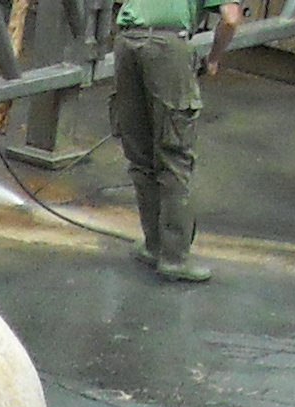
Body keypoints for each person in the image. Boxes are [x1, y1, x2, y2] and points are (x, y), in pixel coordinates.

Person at [111, 0, 247, 282]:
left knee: (140, 151)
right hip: (166, 46)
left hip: (126, 42)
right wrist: (213, 57)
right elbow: (231, 19)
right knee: (174, 154)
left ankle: (153, 245)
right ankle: (174, 257)